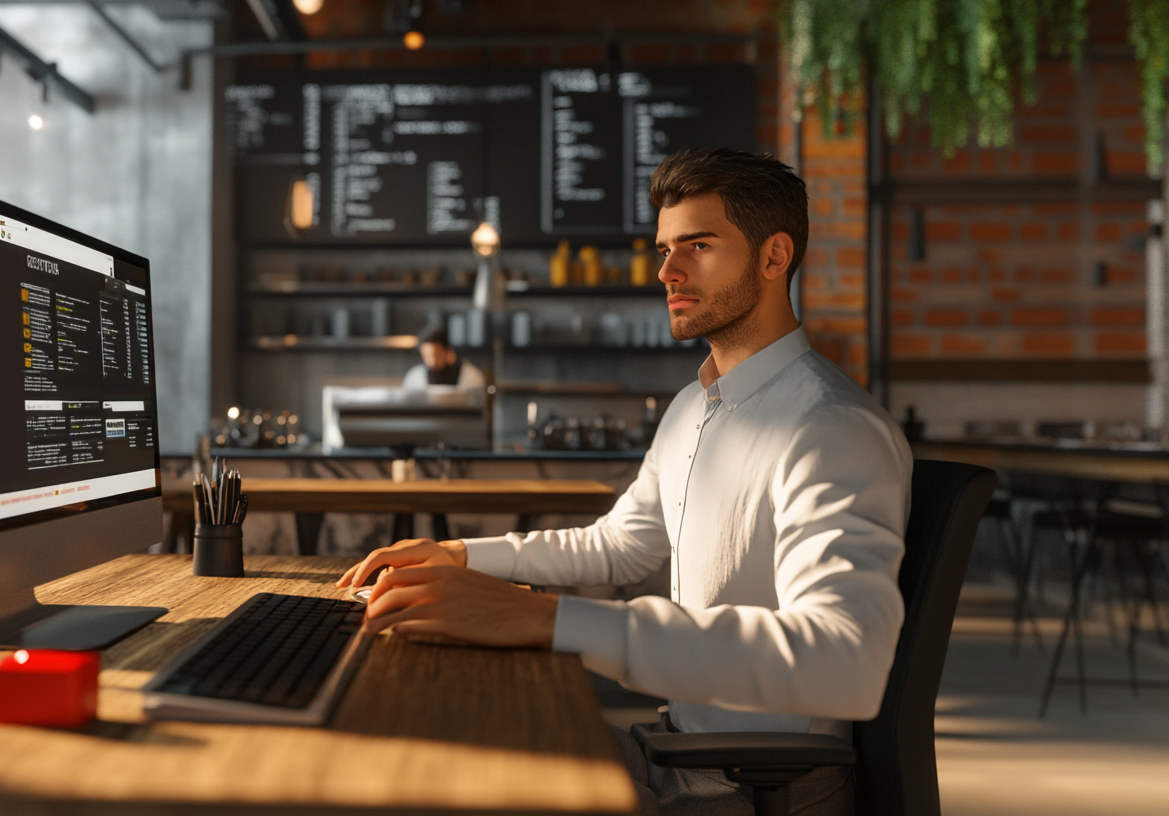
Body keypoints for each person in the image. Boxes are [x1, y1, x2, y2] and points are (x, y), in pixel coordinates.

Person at [337, 147, 911, 816]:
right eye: (666, 248)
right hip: (678, 751)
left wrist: (545, 619)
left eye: (698, 245)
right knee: (429, 742)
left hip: (759, 788)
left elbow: (844, 661)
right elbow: (620, 545)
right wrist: (462, 557)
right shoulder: (696, 404)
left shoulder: (829, 427)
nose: (667, 270)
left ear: (774, 256)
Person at [401, 324, 487, 389]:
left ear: (447, 351)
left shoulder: (471, 377)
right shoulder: (414, 378)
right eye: (426, 356)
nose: (432, 361)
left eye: (437, 355)